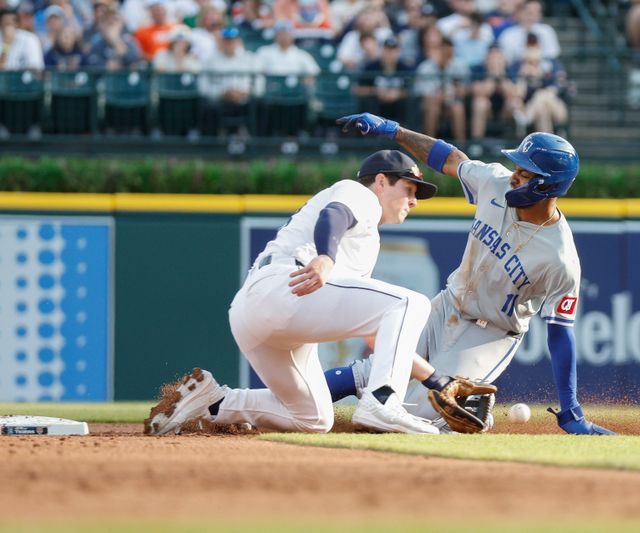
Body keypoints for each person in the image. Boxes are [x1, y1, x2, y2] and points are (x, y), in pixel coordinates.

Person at [331, 112, 617, 435]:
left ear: (548, 185)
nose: (514, 176)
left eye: (525, 173)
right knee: (372, 373)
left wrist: (571, 409)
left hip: (489, 335)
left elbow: (560, 333)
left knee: (415, 413)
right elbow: (448, 157)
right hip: (447, 307)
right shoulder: (494, 181)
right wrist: (394, 129)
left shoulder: (560, 258)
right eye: (517, 168)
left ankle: (470, 413)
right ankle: (279, 406)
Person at [145, 150, 441, 436]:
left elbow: (377, 334)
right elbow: (334, 215)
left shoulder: (366, 240)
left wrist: (436, 381)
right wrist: (326, 257)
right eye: (408, 188)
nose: (414, 201)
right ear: (380, 181)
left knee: (313, 418)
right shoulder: (359, 193)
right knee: (410, 302)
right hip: (287, 287)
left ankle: (213, 403)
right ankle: (383, 401)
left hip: (260, 314)